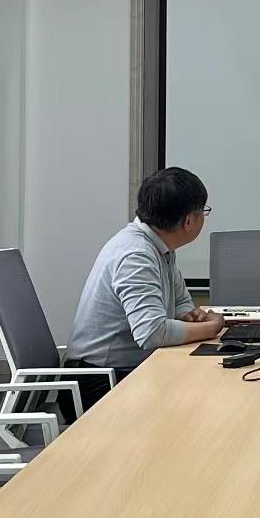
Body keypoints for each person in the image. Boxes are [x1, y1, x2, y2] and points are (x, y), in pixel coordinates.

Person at [65, 167, 225, 409]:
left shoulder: (159, 245)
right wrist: (211, 327)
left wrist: (189, 316)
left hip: (128, 370)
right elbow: (151, 333)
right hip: (99, 384)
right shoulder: (136, 255)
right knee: (204, 400)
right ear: (189, 221)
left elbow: (181, 302)